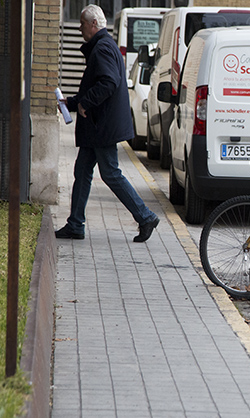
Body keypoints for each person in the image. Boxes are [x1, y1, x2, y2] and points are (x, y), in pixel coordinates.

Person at [55, 4, 159, 242]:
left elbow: (108, 83)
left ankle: (145, 216)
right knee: (82, 171)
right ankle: (75, 224)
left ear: (93, 24)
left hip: (101, 126)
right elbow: (98, 84)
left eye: (82, 23)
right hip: (97, 126)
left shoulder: (101, 48)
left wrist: (85, 103)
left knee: (110, 173)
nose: (80, 28)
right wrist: (70, 102)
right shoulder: (104, 45)